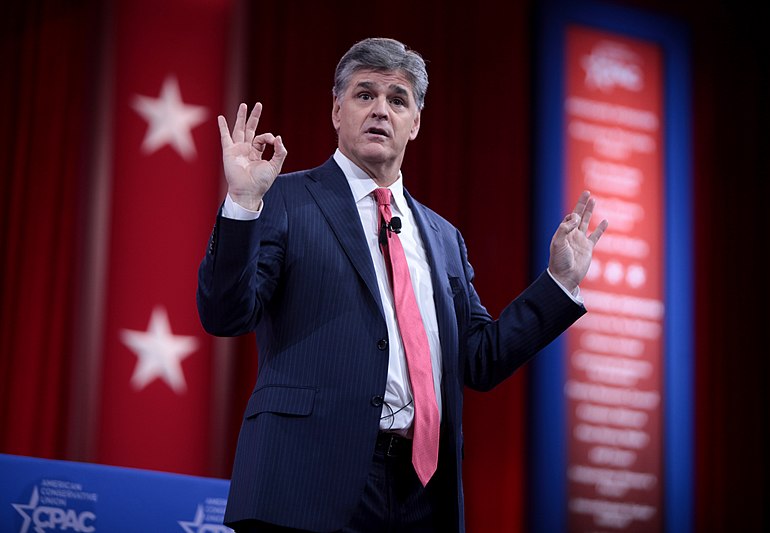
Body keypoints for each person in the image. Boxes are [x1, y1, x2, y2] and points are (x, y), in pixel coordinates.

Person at [197, 37, 607, 533]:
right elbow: (224, 314)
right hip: (305, 482)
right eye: (364, 94)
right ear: (336, 110)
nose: (380, 111)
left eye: (397, 100)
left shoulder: (442, 237)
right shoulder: (284, 199)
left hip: (420, 494)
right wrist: (241, 204)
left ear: (415, 123)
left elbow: (480, 358)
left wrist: (559, 282)